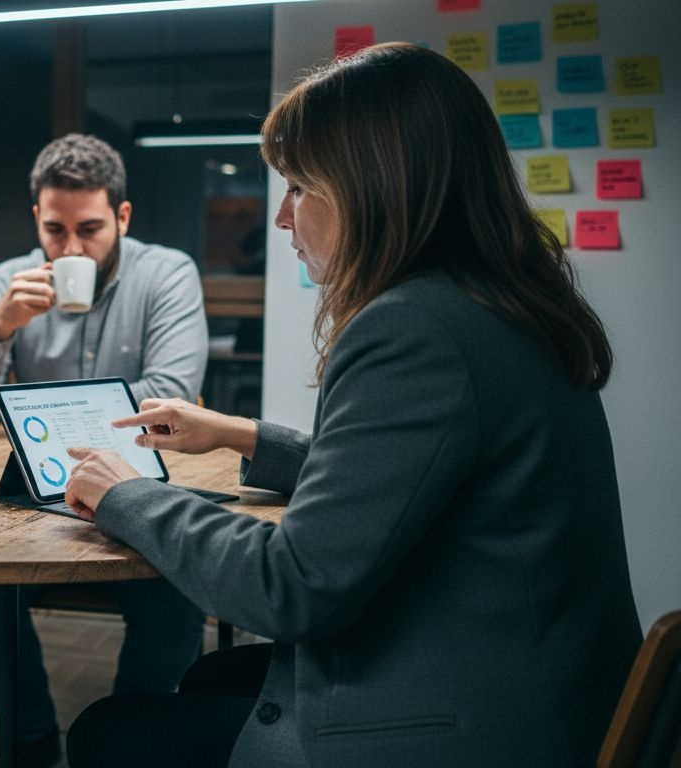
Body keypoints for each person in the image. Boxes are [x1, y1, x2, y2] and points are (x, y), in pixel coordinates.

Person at [62, 43, 641, 768]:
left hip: (471, 731)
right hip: (540, 690)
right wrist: (242, 435)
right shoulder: (496, 302)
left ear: (374, 190)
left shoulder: (413, 327)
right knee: (211, 676)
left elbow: (291, 586)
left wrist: (127, 494)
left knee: (107, 733)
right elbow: (411, 485)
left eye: (299, 188)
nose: (280, 219)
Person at [0, 133, 210, 765]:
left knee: (176, 587)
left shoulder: (166, 273)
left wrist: (41, 410)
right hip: (35, 498)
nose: (70, 250)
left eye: (89, 229)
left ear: (123, 216)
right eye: (55, 231)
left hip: (137, 489)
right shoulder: (9, 279)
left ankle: (127, 744)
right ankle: (29, 739)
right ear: (36, 218)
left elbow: (169, 395)